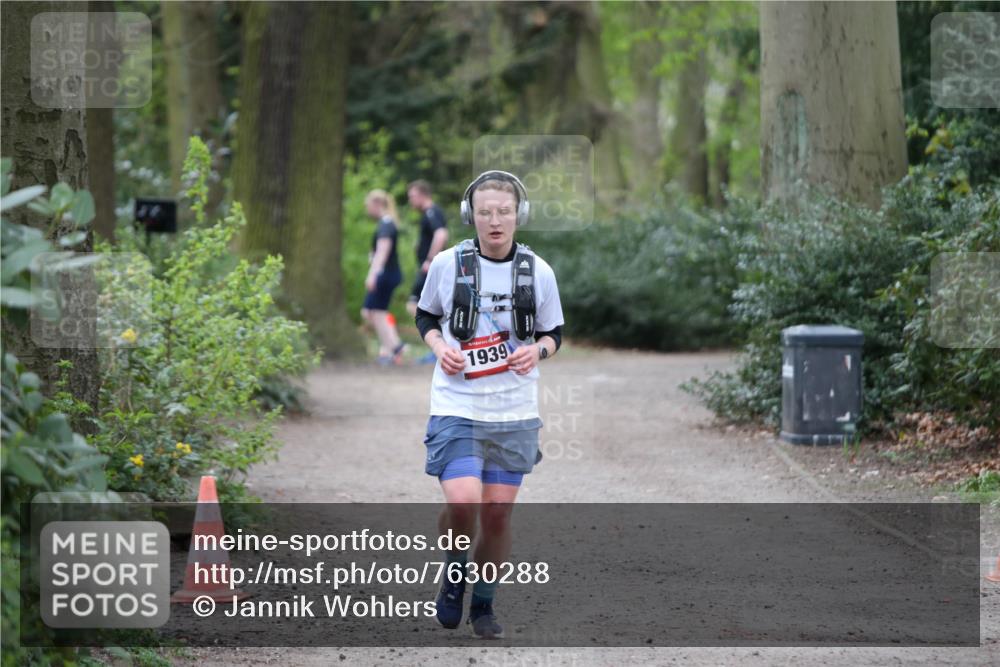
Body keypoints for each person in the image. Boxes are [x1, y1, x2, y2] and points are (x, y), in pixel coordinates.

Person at [414, 171, 564, 639]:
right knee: (463, 503)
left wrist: (535, 351)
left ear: (519, 215)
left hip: (513, 410)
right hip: (457, 403)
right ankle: (455, 571)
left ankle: (483, 602)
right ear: (470, 215)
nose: (494, 220)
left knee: (496, 512)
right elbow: (426, 315)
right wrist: (440, 348)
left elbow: (554, 334)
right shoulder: (448, 263)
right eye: (485, 211)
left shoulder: (538, 271)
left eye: (503, 211)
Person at [406, 180, 449, 364]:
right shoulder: (430, 213)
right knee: (430, 307)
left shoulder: (432, 211)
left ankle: (439, 346)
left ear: (423, 194)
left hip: (430, 268)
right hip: (430, 267)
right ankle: (440, 346)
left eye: (412, 196)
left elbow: (441, 234)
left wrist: (430, 260)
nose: (410, 201)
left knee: (415, 305)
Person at [361, 189, 405, 364]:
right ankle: (394, 347)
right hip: (387, 273)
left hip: (386, 274)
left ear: (377, 204)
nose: (367, 209)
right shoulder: (387, 223)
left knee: (373, 312)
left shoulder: (386, 224)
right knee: (372, 312)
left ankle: (393, 348)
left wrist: (372, 275)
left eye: (368, 205)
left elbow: (382, 251)